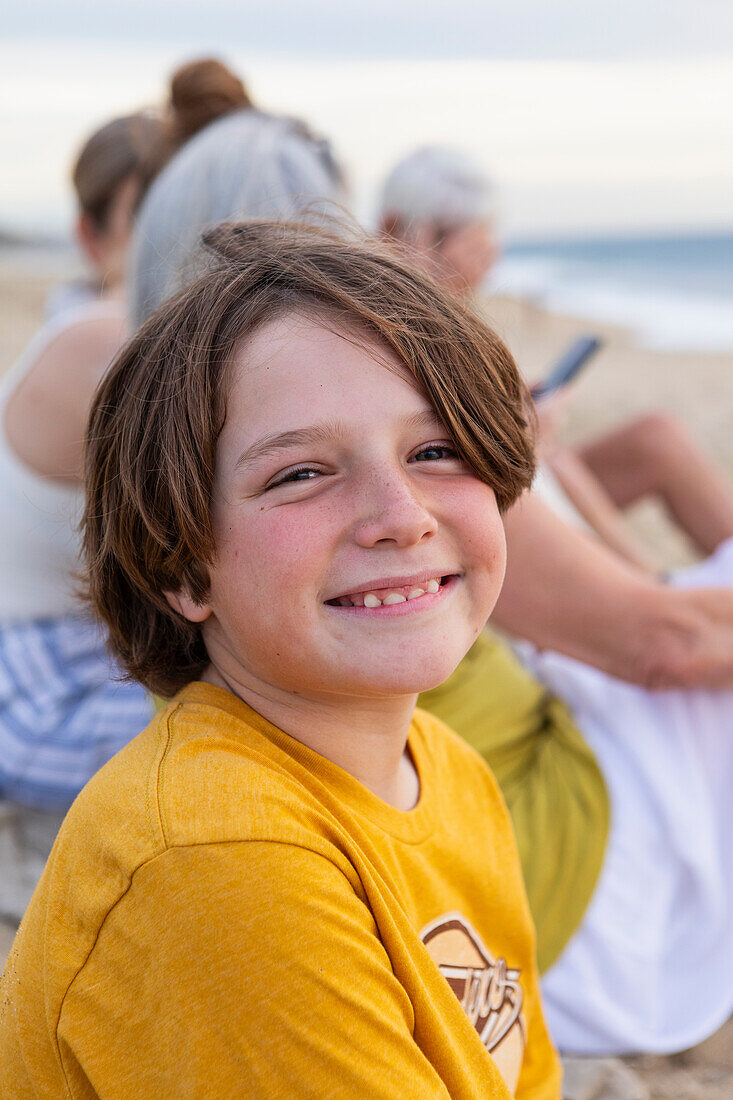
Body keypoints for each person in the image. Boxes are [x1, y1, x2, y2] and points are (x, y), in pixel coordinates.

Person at [0, 221, 561, 1099]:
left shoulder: (446, 771)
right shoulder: (221, 860)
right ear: (181, 565)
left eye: (434, 451)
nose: (399, 513)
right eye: (300, 473)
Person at [0, 58, 254, 918]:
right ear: (94, 233)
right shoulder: (108, 343)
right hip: (41, 685)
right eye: (158, 216)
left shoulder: (89, 324)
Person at [378, 145, 733, 576]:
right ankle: (655, 591)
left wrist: (512, 413)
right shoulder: (385, 326)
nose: (487, 255)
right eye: (470, 238)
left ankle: (656, 586)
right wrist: (525, 436)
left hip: (513, 491)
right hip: (472, 513)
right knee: (557, 455)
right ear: (396, 230)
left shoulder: (447, 318)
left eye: (488, 235)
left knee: (651, 437)